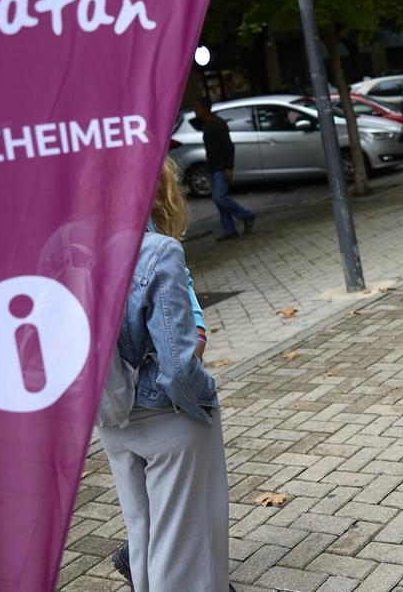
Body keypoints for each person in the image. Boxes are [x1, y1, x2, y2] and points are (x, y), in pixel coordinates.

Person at [98, 158, 229, 591]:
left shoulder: (72, 249)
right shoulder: (156, 251)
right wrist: (202, 399)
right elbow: (177, 362)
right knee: (184, 553)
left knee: (144, 541)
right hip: (167, 415)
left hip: (110, 414)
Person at [197, 99, 255, 241]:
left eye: (198, 108)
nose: (195, 111)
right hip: (214, 166)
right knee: (219, 199)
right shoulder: (207, 124)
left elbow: (228, 146)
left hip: (221, 166)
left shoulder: (218, 123)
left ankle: (246, 215)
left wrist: (229, 167)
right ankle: (229, 229)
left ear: (204, 108)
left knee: (219, 197)